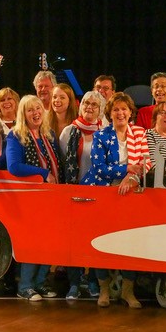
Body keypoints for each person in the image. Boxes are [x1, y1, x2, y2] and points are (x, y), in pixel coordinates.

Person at [82, 92, 150, 308]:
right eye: (116, 109)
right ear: (109, 114)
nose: (120, 113)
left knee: (130, 243)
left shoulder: (139, 133)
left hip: (130, 194)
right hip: (102, 194)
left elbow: (147, 163)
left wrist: (131, 177)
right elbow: (99, 168)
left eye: (124, 109)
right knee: (101, 242)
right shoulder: (101, 136)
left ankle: (127, 291)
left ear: (130, 112)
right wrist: (127, 168)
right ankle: (104, 290)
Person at [6, 95, 61, 301]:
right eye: (30, 110)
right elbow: (14, 166)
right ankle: (25, 286)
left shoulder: (49, 134)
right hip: (31, 198)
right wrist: (43, 173)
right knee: (34, 241)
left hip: (53, 196)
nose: (36, 113)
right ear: (23, 114)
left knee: (50, 241)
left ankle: (40, 282)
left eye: (38, 108)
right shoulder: (16, 135)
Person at [58, 90, 106, 300]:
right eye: (86, 103)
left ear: (101, 110)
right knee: (74, 241)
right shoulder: (68, 131)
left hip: (98, 195)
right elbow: (62, 162)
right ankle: (75, 283)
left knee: (96, 240)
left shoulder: (105, 132)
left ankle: (94, 281)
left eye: (94, 104)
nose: (89, 107)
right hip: (73, 193)